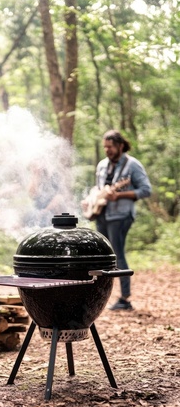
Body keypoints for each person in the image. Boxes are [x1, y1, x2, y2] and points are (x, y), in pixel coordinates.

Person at [84, 130, 152, 310]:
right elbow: (99, 188)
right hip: (102, 215)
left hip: (121, 216)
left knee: (117, 254)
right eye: (105, 147)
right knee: (101, 256)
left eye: (111, 146)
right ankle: (98, 297)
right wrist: (90, 200)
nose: (107, 150)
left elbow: (146, 190)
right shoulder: (101, 165)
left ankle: (125, 298)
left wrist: (120, 195)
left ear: (120, 145)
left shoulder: (133, 165)